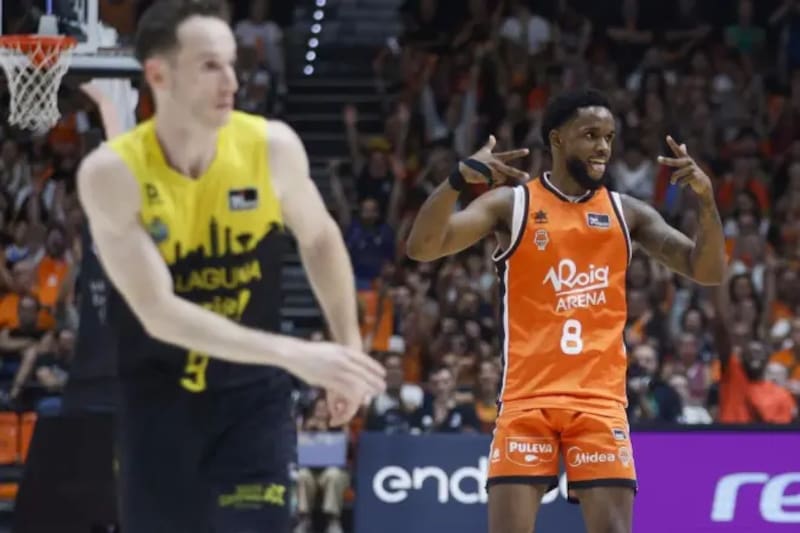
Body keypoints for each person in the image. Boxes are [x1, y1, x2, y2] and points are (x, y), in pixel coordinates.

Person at [76, 1, 385, 532]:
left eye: (232, 63)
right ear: (158, 75)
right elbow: (158, 312)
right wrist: (297, 353)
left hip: (252, 400)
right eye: (210, 66)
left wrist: (348, 352)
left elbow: (320, 239)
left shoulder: (270, 147)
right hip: (158, 400)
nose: (233, 81)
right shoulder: (112, 174)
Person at [406, 89, 726, 533]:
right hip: (526, 400)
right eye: (590, 135)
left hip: (599, 403)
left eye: (609, 137)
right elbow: (422, 248)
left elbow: (707, 271)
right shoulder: (513, 204)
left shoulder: (626, 212)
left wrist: (706, 202)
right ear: (556, 140)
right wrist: (457, 180)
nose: (602, 148)